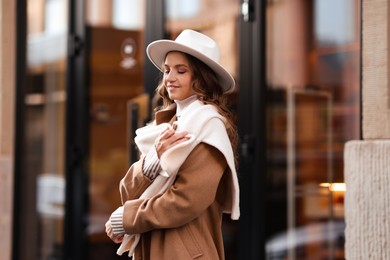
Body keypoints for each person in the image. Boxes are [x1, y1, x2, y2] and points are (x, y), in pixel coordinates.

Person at [105, 29, 240, 260]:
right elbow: (128, 191)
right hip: (158, 246)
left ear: (202, 77)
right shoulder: (168, 126)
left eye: (181, 70)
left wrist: (126, 219)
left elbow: (186, 201)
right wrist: (151, 162)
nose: (169, 78)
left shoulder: (208, 127)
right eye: (167, 70)